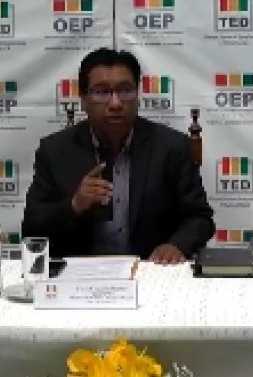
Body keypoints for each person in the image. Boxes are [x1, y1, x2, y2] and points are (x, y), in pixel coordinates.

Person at [22, 48, 214, 264]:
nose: (115, 103)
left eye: (125, 91)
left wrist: (177, 245)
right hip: (80, 273)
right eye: (102, 92)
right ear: (83, 99)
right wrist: (74, 205)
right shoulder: (55, 150)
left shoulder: (171, 147)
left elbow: (199, 217)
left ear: (138, 96)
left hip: (150, 270)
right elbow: (31, 228)